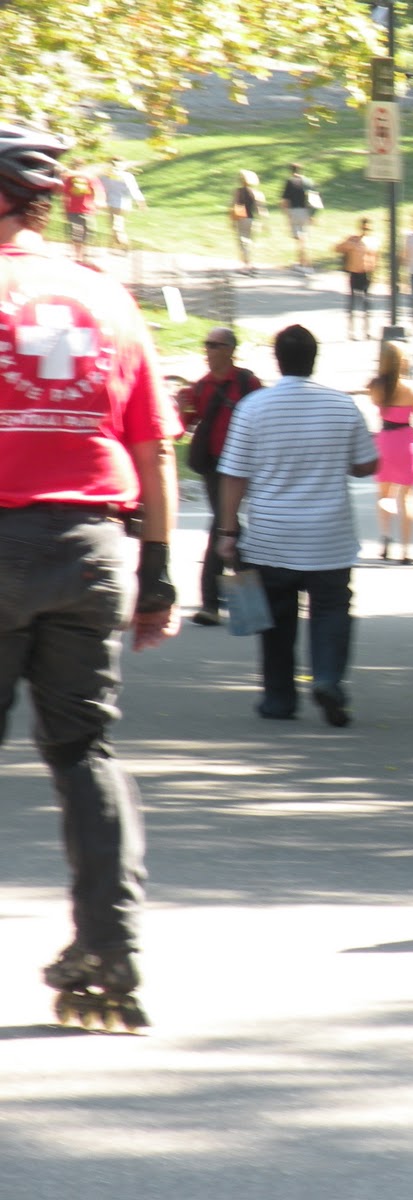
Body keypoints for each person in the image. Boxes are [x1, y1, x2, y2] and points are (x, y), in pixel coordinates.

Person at [0, 124, 182, 1031]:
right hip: (91, 548)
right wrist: (160, 577)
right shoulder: (106, 297)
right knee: (84, 754)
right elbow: (153, 451)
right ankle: (110, 948)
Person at [214, 325, 379, 726]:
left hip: (271, 538)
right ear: (314, 358)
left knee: (275, 621)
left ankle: (279, 699)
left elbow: (234, 475)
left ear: (278, 360)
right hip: (329, 538)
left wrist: (228, 532)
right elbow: (366, 464)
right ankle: (327, 679)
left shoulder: (252, 407)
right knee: (332, 610)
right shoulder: (342, 405)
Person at [177, 327, 262, 626]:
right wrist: (180, 409)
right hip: (215, 468)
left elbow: (262, 417)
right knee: (224, 527)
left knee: (226, 528)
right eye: (206, 344)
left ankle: (226, 603)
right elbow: (182, 426)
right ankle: (228, 603)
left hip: (244, 465)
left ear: (229, 349)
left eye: (214, 345)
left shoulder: (247, 383)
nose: (208, 350)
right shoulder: (201, 387)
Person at [370, 339, 413, 563]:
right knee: (408, 499)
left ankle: (386, 537)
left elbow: (377, 407)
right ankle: (407, 550)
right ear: (404, 361)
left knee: (384, 495)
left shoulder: (376, 387)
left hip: (385, 443)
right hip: (407, 444)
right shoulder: (412, 389)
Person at [335, 218, 379, 340]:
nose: (366, 230)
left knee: (366, 304)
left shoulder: (373, 241)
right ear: (361, 227)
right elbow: (337, 248)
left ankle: (367, 331)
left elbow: (375, 258)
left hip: (367, 275)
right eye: (364, 227)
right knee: (353, 304)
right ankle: (351, 332)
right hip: (354, 274)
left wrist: (375, 274)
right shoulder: (353, 240)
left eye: (368, 228)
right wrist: (349, 244)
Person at [61, 162, 104, 264]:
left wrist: (65, 209)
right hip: (84, 209)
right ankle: (81, 255)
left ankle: (80, 255)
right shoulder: (89, 178)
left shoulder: (72, 179)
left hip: (78, 209)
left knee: (81, 232)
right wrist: (98, 204)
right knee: (84, 232)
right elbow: (99, 192)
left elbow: (65, 195)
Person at [100, 159, 145, 253]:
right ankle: (113, 246)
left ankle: (125, 246)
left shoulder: (125, 176)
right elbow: (100, 188)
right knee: (114, 226)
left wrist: (141, 202)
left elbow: (134, 190)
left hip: (120, 204)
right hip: (114, 204)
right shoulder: (106, 176)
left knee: (116, 227)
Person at [280, 163, 317, 274]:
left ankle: (304, 264)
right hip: (306, 212)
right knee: (304, 237)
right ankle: (303, 262)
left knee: (300, 239)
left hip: (295, 211)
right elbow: (315, 199)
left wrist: (286, 213)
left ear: (291, 171)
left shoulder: (290, 182)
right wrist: (313, 215)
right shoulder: (309, 182)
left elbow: (285, 200)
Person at [231, 169, 265, 275]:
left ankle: (246, 265)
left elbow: (234, 205)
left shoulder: (238, 192)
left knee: (243, 242)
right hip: (252, 219)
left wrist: (232, 220)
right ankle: (250, 262)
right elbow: (260, 208)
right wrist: (263, 221)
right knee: (250, 241)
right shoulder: (256, 193)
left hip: (241, 218)